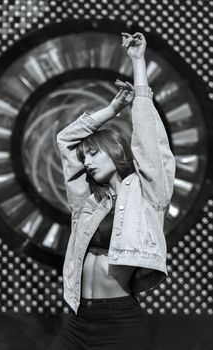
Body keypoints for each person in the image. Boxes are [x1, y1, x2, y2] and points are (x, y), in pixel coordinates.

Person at [48, 32, 176, 350]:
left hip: (120, 325)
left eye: (93, 153)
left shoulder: (146, 195)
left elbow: (149, 143)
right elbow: (66, 141)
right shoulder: (88, 200)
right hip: (78, 322)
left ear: (114, 150)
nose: (87, 162)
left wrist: (137, 62)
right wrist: (111, 110)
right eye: (85, 156)